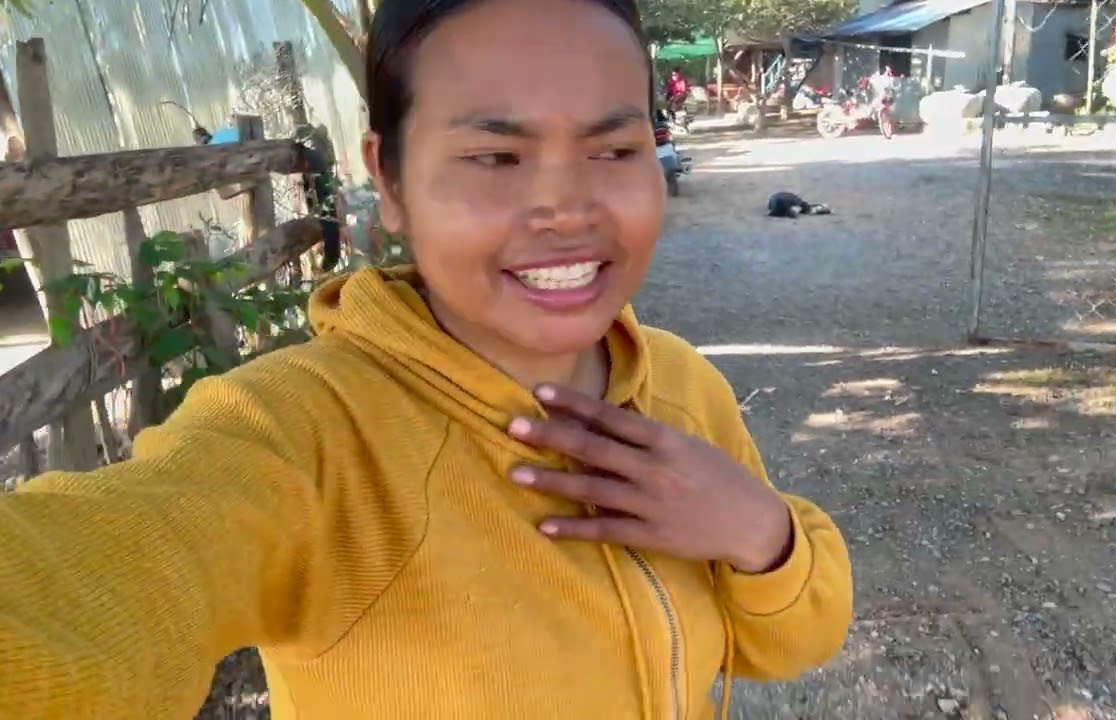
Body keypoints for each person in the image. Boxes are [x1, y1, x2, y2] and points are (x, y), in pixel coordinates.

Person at [0, 0, 853, 718]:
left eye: (614, 150)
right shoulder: (306, 437)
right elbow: (94, 577)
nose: (566, 207)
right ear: (393, 180)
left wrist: (760, 533)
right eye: (494, 157)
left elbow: (793, 640)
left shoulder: (681, 386)